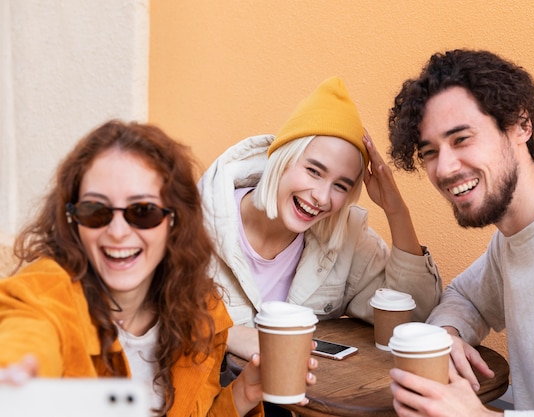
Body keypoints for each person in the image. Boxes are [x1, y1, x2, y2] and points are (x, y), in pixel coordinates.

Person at [0, 120, 317, 417]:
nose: (118, 231)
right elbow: (24, 339)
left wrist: (243, 395)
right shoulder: (43, 293)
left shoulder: (201, 314)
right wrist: (19, 379)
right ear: (73, 221)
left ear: (174, 220)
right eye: (95, 210)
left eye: (143, 211)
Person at [386, 49, 534, 416]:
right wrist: (447, 334)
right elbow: (463, 298)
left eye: (462, 138)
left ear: (520, 126)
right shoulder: (512, 240)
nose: (446, 167)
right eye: (430, 151)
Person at [198, 76, 442, 362]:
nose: (322, 198)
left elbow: (416, 315)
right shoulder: (193, 222)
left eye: (341, 185)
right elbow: (145, 315)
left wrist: (397, 211)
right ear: (282, 158)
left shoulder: (346, 237)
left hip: (296, 403)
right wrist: (229, 334)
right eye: (314, 171)